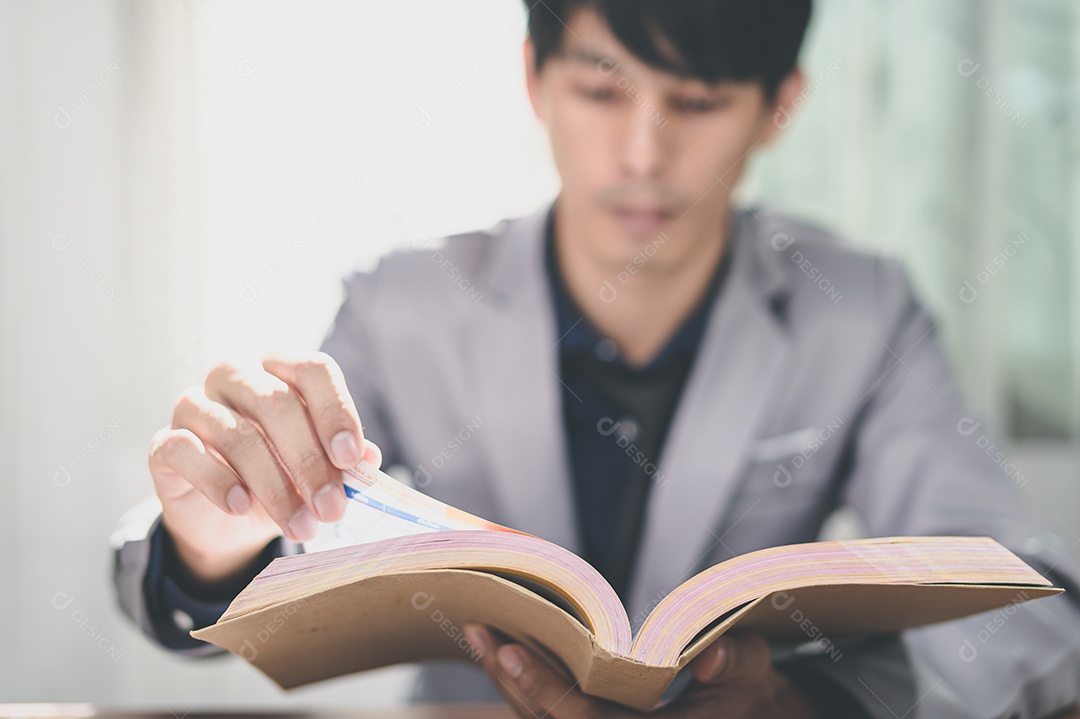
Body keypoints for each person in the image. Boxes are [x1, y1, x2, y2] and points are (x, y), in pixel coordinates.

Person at [112, 1, 1080, 716]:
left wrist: (816, 702)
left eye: (697, 101)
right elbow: (212, 586)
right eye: (600, 88)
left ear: (778, 106)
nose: (644, 152)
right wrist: (208, 545)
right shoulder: (405, 302)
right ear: (534, 78)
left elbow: (1029, 605)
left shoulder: (861, 309)